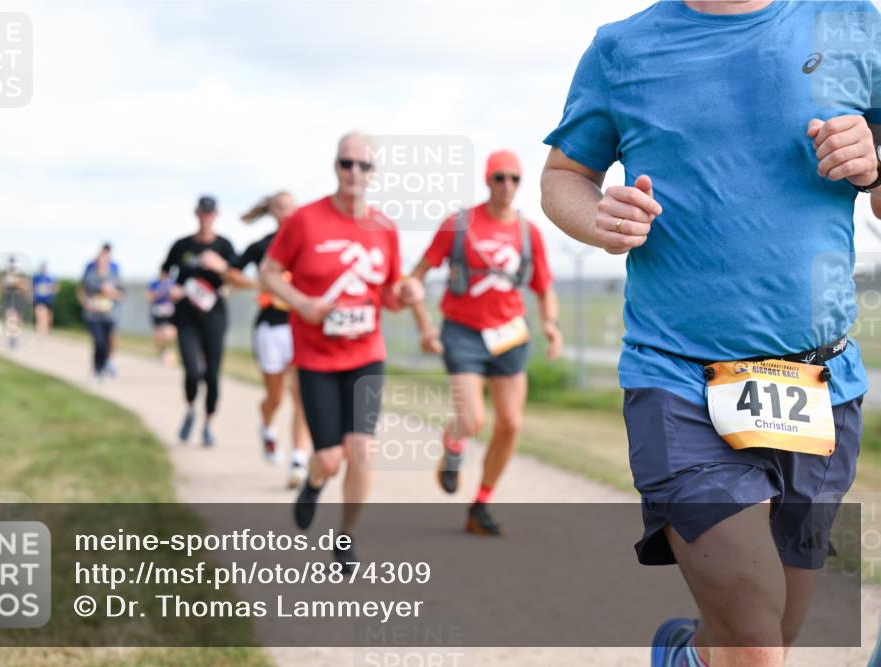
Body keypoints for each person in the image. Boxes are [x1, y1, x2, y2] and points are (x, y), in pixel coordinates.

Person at [540, 1, 880, 665]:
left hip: (819, 383)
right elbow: (563, 177)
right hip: (678, 381)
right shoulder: (623, 48)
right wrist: (598, 217)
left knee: (769, 633)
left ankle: (683, 656)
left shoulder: (853, 24)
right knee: (757, 642)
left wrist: (876, 161)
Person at [261, 131, 422, 571]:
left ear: (374, 173)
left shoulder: (384, 228)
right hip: (315, 356)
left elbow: (388, 293)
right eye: (346, 164)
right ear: (335, 167)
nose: (355, 173)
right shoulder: (305, 220)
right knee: (329, 457)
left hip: (366, 353)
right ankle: (313, 482)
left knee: (362, 449)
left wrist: (403, 297)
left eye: (364, 166)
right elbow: (269, 272)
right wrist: (301, 303)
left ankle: (346, 537)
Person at [409, 150, 563, 536]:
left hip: (509, 335)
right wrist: (423, 323)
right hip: (462, 331)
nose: (507, 186)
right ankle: (454, 442)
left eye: (514, 179)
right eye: (499, 178)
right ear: (487, 180)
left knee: (510, 424)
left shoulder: (529, 233)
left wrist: (550, 324)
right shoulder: (459, 224)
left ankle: (481, 504)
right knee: (472, 418)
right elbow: (419, 274)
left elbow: (544, 288)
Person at [229, 191, 313, 487]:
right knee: (275, 397)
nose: (288, 213)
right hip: (270, 327)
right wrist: (261, 282)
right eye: (281, 208)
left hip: (300, 326)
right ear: (272, 213)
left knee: (302, 396)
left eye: (293, 207)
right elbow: (231, 273)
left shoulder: (308, 244)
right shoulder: (262, 246)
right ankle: (266, 425)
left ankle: (299, 462)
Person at [162, 195, 246, 447]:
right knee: (191, 369)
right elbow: (165, 272)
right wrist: (171, 289)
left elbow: (239, 279)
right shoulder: (181, 245)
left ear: (216, 215)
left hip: (214, 318)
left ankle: (208, 424)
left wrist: (221, 267)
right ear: (196, 214)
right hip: (187, 317)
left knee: (212, 374)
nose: (206, 217)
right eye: (203, 212)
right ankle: (190, 409)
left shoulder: (225, 246)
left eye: (210, 213)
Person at [78, 251, 124, 381]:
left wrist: (112, 292)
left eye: (106, 260)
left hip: (109, 316)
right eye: (101, 260)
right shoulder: (90, 277)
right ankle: (97, 369)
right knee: (99, 342)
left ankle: (102, 368)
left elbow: (121, 294)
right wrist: (86, 303)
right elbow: (82, 291)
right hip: (93, 316)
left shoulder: (114, 277)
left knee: (107, 343)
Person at [147, 270, 178, 366]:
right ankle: (161, 353)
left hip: (169, 311)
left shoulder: (172, 283)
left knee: (170, 333)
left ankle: (168, 352)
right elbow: (148, 296)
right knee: (158, 335)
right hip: (157, 311)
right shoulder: (154, 283)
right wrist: (156, 294)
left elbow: (177, 295)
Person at [0, 257, 28, 350]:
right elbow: (1, 289)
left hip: (18, 299)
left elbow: (24, 288)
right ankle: (11, 338)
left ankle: (15, 337)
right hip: (8, 299)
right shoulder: (4, 274)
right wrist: (5, 282)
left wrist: (16, 282)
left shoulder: (21, 275)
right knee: (10, 318)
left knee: (16, 320)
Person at [32, 262, 59, 335]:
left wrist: (52, 291)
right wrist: (33, 296)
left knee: (49, 317)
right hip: (39, 299)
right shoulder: (36, 277)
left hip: (48, 300)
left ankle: (48, 329)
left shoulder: (51, 278)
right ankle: (39, 329)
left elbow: (56, 288)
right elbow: (33, 287)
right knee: (39, 314)